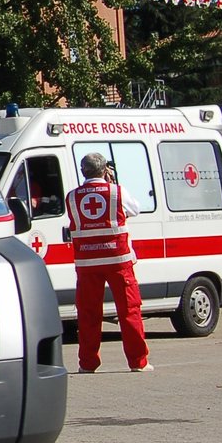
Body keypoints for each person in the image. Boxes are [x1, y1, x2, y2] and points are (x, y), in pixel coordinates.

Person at [65, 152, 151, 373]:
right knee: (129, 311)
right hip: (118, 261)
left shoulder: (72, 197)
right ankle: (138, 362)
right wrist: (112, 183)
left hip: (86, 263)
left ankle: (87, 364)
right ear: (105, 170)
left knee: (88, 314)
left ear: (82, 171)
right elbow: (135, 209)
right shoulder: (116, 192)